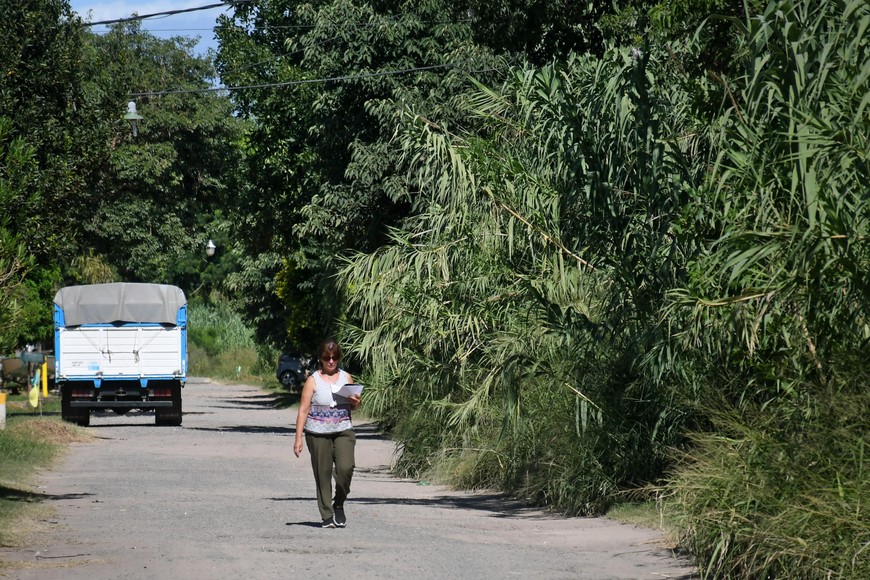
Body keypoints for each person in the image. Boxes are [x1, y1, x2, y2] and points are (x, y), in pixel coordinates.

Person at [294, 339, 361, 528]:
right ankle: (327, 515)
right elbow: (303, 410)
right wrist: (298, 438)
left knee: (346, 468)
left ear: (339, 358)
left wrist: (356, 402)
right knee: (322, 474)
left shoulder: (346, 377)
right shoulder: (312, 380)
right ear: (321, 358)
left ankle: (338, 503)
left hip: (343, 430)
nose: (331, 361)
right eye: (326, 358)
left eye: (334, 357)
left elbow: (355, 405)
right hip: (317, 433)